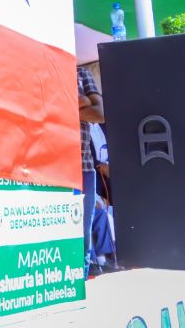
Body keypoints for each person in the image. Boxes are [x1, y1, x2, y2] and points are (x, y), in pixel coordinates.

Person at [77, 65, 104, 277]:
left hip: (84, 167)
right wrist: (83, 101)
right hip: (54, 166)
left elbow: (100, 113)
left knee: (83, 233)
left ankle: (82, 280)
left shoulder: (81, 73)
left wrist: (66, 107)